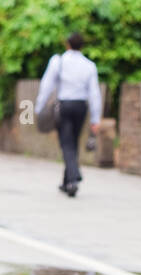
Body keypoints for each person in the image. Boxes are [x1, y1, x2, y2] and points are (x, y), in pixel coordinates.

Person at [34, 32, 101, 198]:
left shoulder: (59, 61)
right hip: (81, 107)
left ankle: (73, 179)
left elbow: (47, 85)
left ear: (67, 44)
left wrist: (38, 107)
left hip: (64, 106)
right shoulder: (89, 65)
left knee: (66, 143)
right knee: (73, 141)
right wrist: (95, 118)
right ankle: (67, 180)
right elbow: (94, 93)